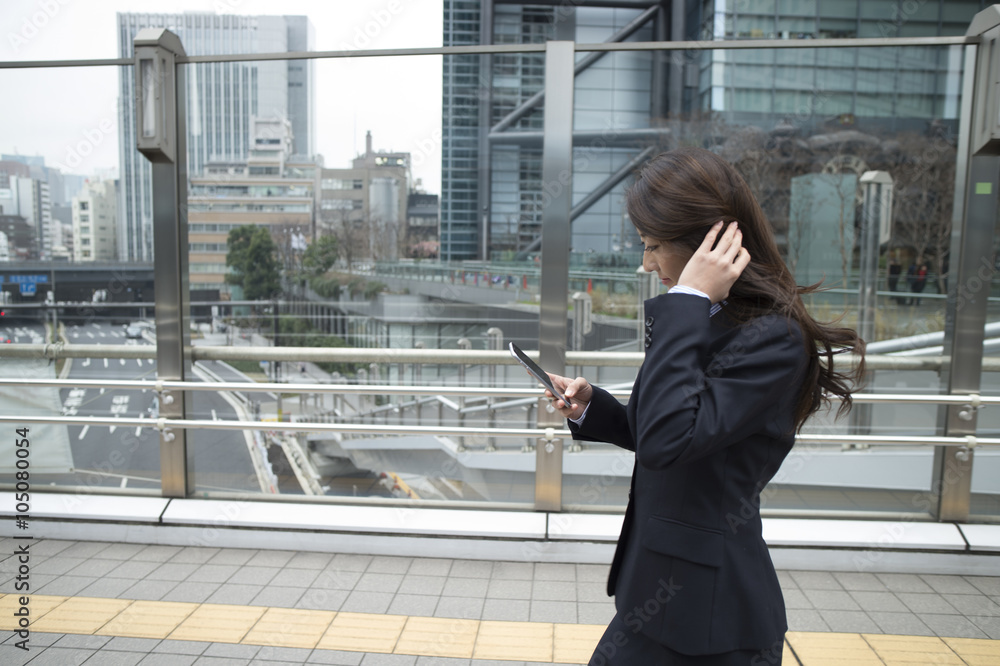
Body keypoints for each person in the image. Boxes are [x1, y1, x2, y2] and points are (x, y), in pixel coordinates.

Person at [541, 147, 864, 665]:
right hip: (662, 598)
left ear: (704, 243)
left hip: (710, 621)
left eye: (653, 246)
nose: (646, 264)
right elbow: (675, 432)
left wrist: (687, 299)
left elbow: (672, 439)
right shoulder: (707, 321)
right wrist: (591, 409)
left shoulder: (773, 339)